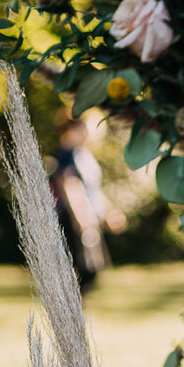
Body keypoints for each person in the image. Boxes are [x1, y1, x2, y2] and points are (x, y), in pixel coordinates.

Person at [49, 118, 122, 292]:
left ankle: (80, 311)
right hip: (76, 219)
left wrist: (108, 212)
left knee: (92, 271)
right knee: (83, 271)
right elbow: (69, 184)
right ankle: (73, 314)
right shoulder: (67, 154)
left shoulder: (82, 153)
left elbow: (93, 188)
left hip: (90, 218)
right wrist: (79, 217)